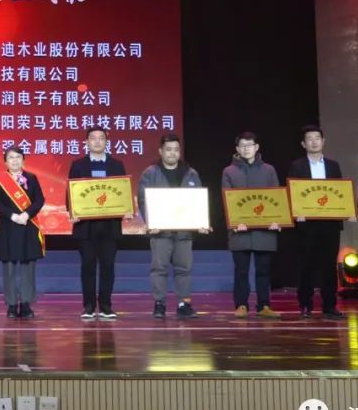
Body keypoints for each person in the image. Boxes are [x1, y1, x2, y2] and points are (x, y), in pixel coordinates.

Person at [137, 133, 207, 319]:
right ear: (161, 151)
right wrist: (151, 222)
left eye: (176, 149)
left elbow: (198, 201)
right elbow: (143, 201)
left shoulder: (191, 173)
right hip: (160, 231)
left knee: (184, 269)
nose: (172, 153)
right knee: (159, 269)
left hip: (184, 232)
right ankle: (159, 304)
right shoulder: (150, 173)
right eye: (168, 149)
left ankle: (184, 304)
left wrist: (201, 222)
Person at [68, 127, 129, 320]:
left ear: (106, 141)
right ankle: (88, 306)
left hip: (110, 226)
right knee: (87, 266)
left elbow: (123, 191)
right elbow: (71, 191)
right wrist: (73, 211)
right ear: (86, 142)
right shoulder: (78, 165)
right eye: (93, 138)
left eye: (101, 138)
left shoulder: (117, 165)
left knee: (108, 266)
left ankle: (106, 306)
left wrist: (126, 208)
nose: (97, 141)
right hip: (85, 227)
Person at [288, 124, 348, 320]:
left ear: (323, 141)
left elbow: (340, 192)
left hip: (330, 223)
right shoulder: (297, 166)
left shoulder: (333, 165)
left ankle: (330, 305)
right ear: (303, 144)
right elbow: (292, 192)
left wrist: (345, 211)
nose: (314, 142)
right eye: (309, 139)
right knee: (306, 264)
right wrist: (297, 213)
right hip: (307, 223)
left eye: (317, 138)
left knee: (329, 265)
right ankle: (305, 305)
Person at [221, 132, 282, 319]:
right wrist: (233, 223)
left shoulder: (269, 170)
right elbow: (227, 200)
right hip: (240, 230)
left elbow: (276, 198)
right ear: (237, 149)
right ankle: (241, 305)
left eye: (249, 145)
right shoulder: (229, 171)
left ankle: (264, 305)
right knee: (241, 271)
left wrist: (277, 220)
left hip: (265, 231)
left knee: (264, 270)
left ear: (256, 147)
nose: (246, 149)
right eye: (242, 145)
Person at [0, 147, 46, 319]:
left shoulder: (32, 178)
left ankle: (26, 304)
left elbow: (39, 200)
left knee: (28, 266)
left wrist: (27, 214)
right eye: (11, 158)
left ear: (23, 160)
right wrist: (12, 216)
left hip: (28, 225)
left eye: (18, 157)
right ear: (5, 162)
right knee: (9, 267)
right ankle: (12, 305)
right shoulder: (0, 180)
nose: (14, 160)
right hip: (8, 226)